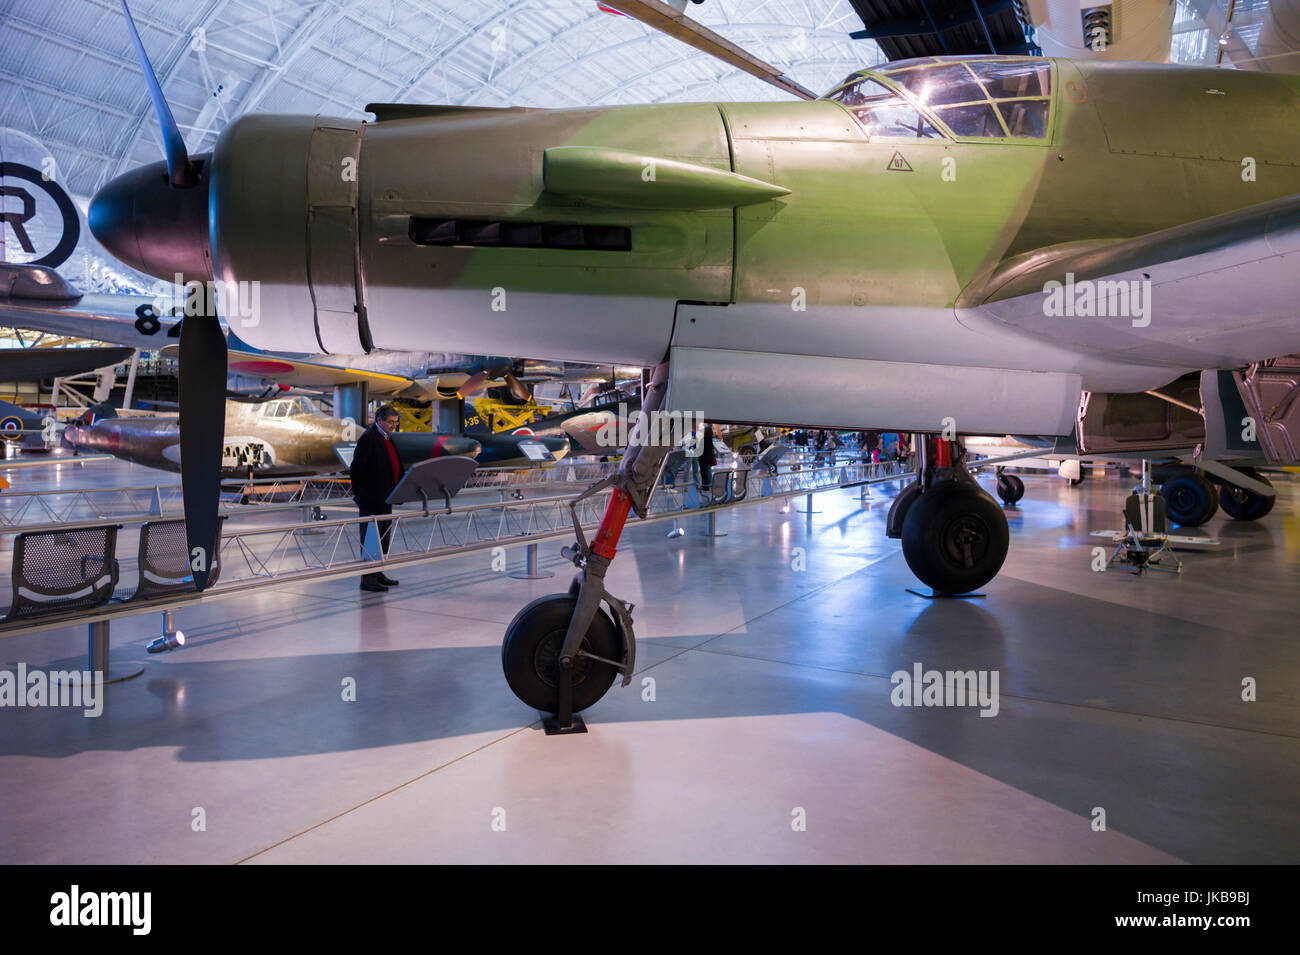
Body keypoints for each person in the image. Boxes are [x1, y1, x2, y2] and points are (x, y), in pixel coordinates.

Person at [350, 404, 404, 592]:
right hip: (372, 499)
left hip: (386, 498)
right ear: (378, 420)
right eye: (390, 422)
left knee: (383, 539)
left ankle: (378, 573)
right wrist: (359, 493)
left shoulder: (387, 438)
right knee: (371, 539)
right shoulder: (368, 438)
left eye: (395, 423)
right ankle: (368, 580)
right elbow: (356, 468)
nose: (393, 426)